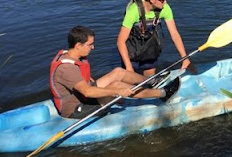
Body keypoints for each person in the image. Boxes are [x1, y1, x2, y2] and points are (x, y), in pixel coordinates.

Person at [50, 26, 181, 119]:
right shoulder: (67, 68)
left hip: (83, 96)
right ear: (78, 45)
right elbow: (87, 92)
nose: (93, 47)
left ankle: (153, 80)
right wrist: (115, 93)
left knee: (118, 72)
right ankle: (163, 93)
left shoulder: (71, 55)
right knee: (118, 86)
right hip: (76, 107)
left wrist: (106, 93)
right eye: (90, 45)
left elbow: (84, 78)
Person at [117, 0, 192, 77]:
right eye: (162, 0)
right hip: (132, 47)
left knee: (150, 79)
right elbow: (120, 41)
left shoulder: (165, 9)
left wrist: (184, 58)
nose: (165, 3)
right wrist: (128, 67)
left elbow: (174, 34)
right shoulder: (133, 11)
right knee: (130, 80)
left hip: (150, 46)